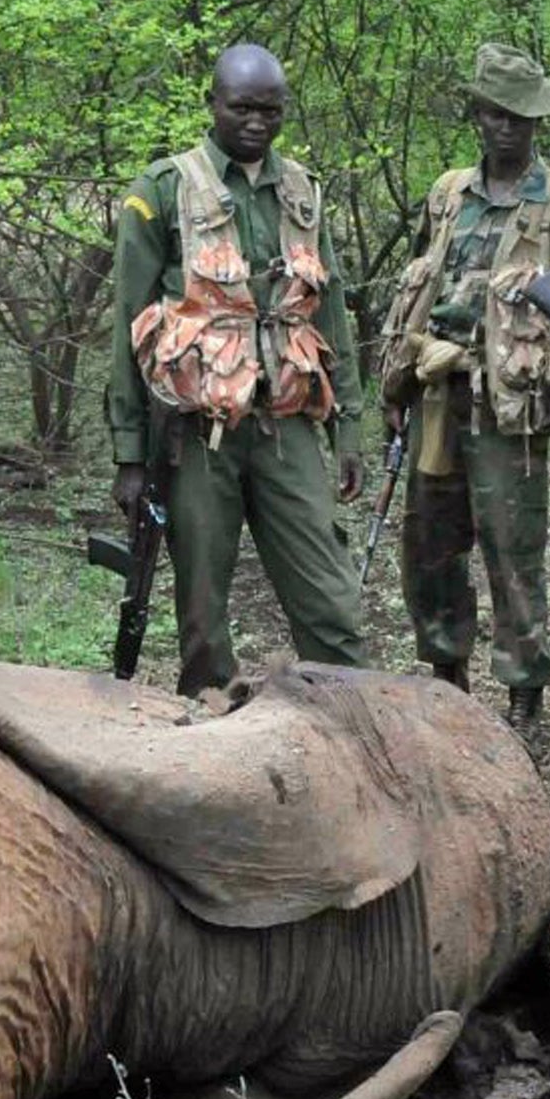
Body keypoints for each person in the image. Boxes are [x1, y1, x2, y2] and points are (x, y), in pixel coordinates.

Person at [109, 43, 369, 697]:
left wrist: (350, 430)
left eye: (271, 110)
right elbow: (128, 327)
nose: (256, 121)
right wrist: (129, 457)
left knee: (333, 602)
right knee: (202, 612)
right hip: (197, 435)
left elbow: (330, 316)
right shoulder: (161, 192)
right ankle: (211, 731)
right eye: (242, 107)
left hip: (287, 424)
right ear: (213, 103)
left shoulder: (303, 191)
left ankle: (347, 725)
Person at [378, 43, 550, 730]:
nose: (508, 128)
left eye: (521, 117)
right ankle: (446, 679)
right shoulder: (448, 194)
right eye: (495, 114)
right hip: (438, 393)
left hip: (514, 406)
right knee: (428, 545)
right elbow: (419, 292)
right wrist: (396, 394)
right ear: (476, 115)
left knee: (514, 553)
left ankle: (522, 695)